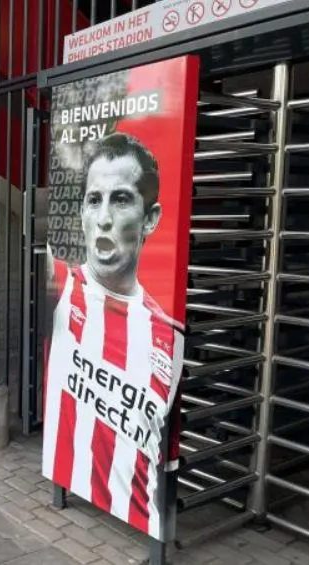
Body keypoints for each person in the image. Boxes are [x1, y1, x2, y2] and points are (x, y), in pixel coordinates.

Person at [41, 132, 184, 539]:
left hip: (144, 510)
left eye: (120, 199)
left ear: (150, 218)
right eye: (93, 199)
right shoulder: (58, 287)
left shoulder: (167, 336)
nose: (103, 217)